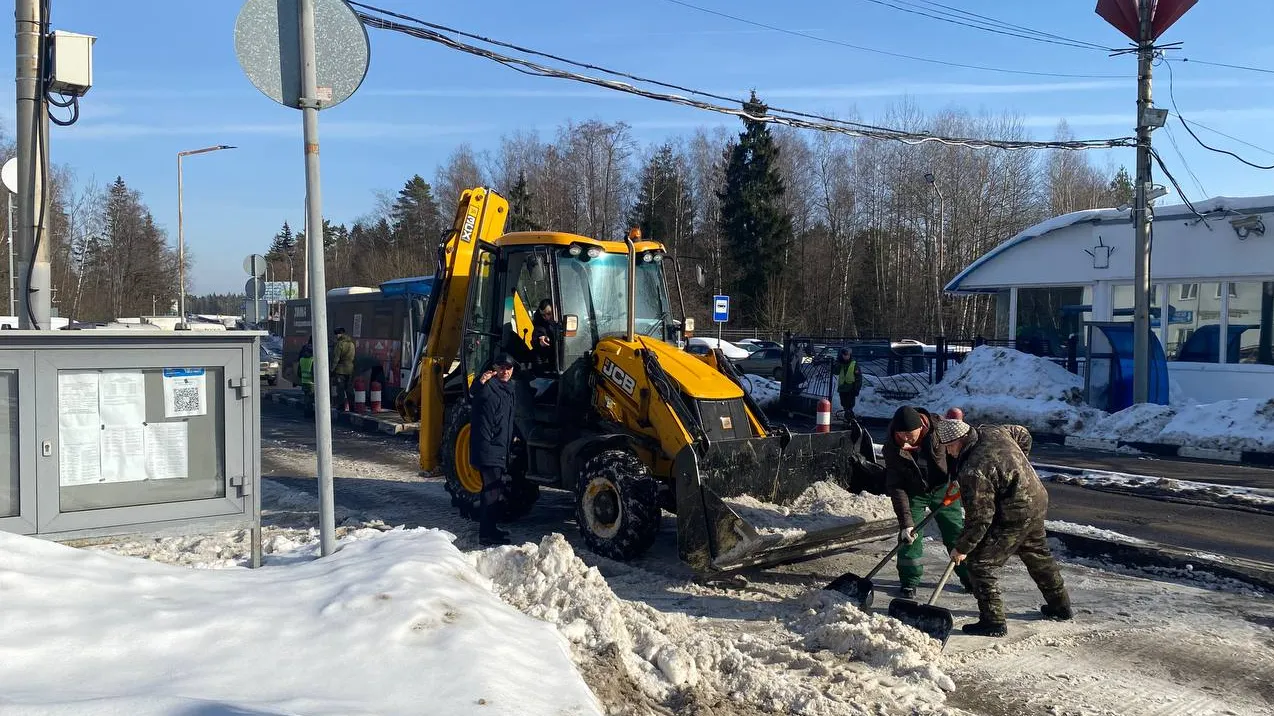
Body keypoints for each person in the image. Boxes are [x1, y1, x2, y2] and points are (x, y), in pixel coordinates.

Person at [936, 419, 1073, 637]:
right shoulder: (992, 431)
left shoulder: (974, 469)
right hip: (1036, 498)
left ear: (960, 440)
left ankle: (993, 622)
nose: (949, 453)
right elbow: (1023, 433)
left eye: (949, 447)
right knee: (1038, 554)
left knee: (981, 564)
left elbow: (980, 518)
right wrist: (1019, 466)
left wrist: (962, 548)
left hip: (1014, 512)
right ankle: (1061, 607)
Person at [882, 406, 973, 599]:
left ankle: (970, 578)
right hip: (914, 492)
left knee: (955, 532)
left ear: (921, 427)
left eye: (910, 433)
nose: (906, 438)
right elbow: (896, 486)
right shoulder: (892, 447)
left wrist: (957, 479)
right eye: (901, 434)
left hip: (943, 488)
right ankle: (909, 582)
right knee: (910, 536)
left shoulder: (940, 430)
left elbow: (960, 452)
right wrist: (905, 523)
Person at [470, 354, 518, 546]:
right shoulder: (489, 386)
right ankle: (485, 535)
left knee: (494, 491)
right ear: (495, 369)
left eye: (508, 368)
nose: (505, 371)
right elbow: (476, 393)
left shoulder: (510, 389)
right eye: (501, 368)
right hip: (488, 447)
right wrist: (481, 381)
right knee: (491, 492)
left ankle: (491, 529)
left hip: (500, 446)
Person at [834, 348, 863, 419]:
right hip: (842, 388)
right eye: (844, 355)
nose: (845, 357)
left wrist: (856, 389)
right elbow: (836, 372)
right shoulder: (840, 363)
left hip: (851, 388)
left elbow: (858, 378)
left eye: (847, 355)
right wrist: (837, 364)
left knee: (849, 406)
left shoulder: (854, 364)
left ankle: (850, 419)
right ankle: (849, 419)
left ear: (850, 355)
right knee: (844, 405)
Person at [332, 328, 356, 411]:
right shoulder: (352, 344)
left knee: (341, 389)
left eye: (336, 335)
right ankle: (352, 406)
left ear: (339, 334)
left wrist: (332, 369)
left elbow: (336, 358)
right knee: (349, 388)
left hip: (341, 369)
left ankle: (341, 406)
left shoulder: (340, 344)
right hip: (350, 368)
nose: (336, 336)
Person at [530, 299, 558, 371]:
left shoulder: (562, 321)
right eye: (543, 315)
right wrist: (540, 341)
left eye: (549, 313)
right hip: (545, 363)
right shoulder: (539, 324)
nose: (546, 317)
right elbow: (536, 336)